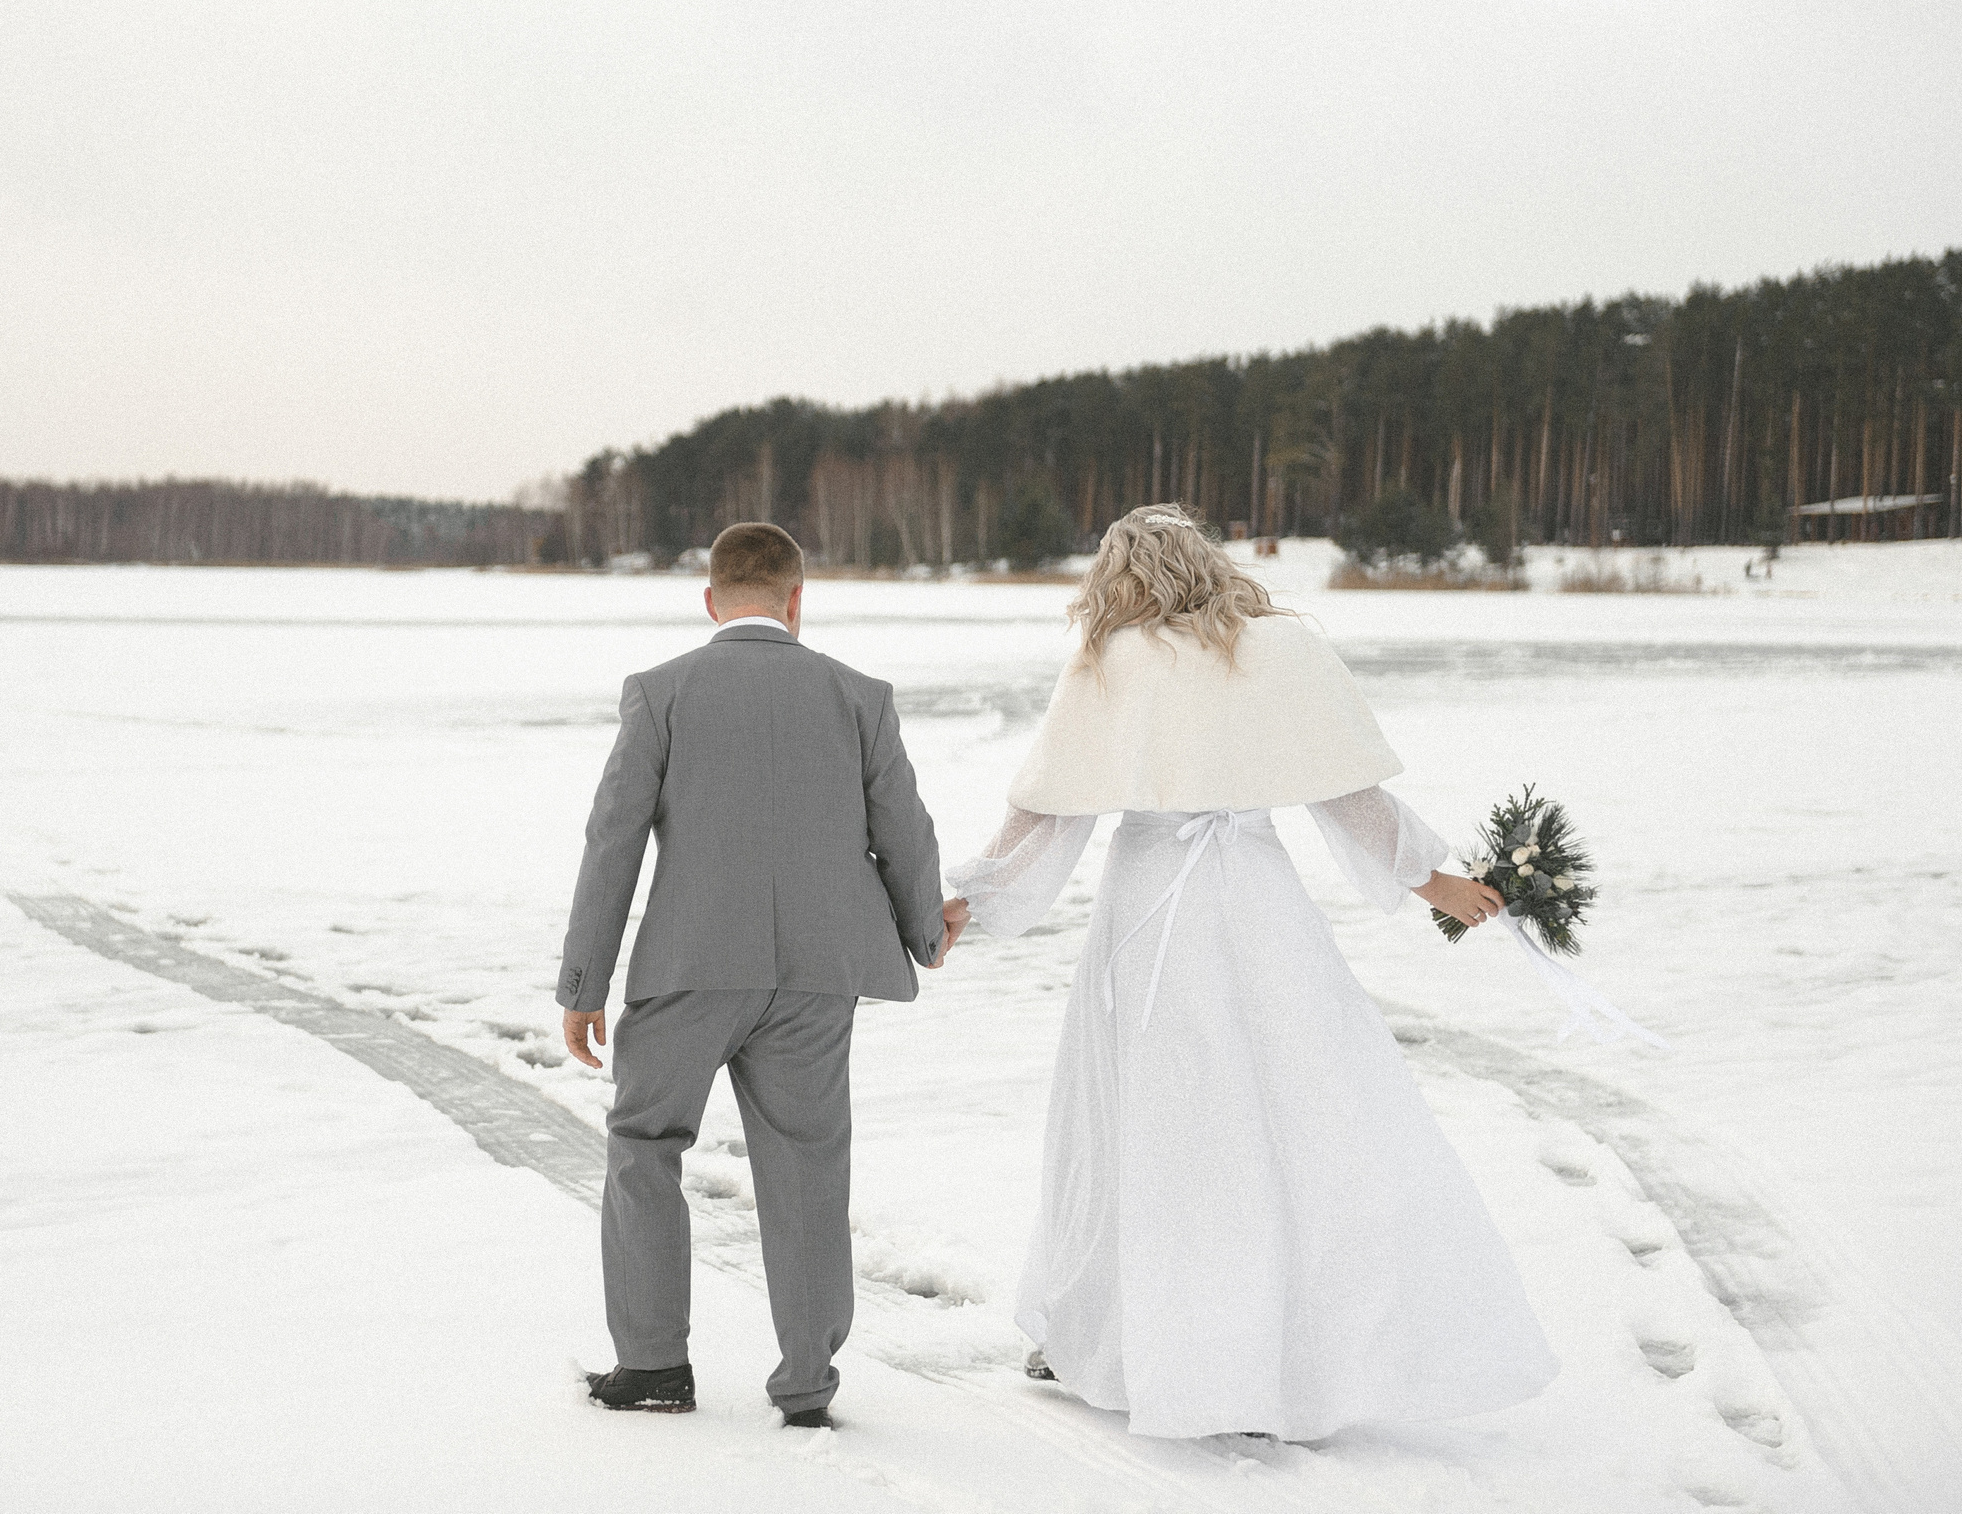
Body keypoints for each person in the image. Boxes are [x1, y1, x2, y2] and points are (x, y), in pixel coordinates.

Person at [943, 504, 1558, 1442]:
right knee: (1295, 1119)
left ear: (1120, 575)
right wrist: (1436, 882)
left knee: (1147, 1131)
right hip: (1259, 905)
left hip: (1152, 912)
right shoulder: (1279, 651)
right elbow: (1347, 791)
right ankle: (1297, 1358)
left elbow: (1048, 812)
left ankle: (1121, 1342)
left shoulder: (1109, 661)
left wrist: (969, 902)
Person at [557, 521, 959, 1428]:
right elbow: (906, 831)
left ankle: (655, 1365)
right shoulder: (860, 696)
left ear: (710, 600)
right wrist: (925, 934)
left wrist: (585, 981)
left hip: (690, 968)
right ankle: (809, 1388)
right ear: (797, 600)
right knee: (810, 1169)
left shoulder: (660, 694)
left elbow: (611, 839)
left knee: (646, 1147)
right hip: (817, 975)